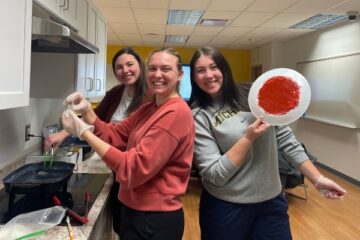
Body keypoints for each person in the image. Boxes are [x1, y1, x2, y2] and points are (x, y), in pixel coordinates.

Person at [188, 46, 346, 240]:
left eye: (214, 67)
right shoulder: (199, 115)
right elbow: (214, 175)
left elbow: (285, 140)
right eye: (200, 70)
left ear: (224, 70)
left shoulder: (254, 95)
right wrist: (248, 139)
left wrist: (317, 179)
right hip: (226, 209)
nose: (209, 75)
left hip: (270, 204)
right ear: (194, 78)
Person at [61, 47, 195, 240]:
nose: (157, 75)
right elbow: (115, 135)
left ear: (180, 74)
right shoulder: (150, 108)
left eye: (166, 69)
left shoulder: (176, 113)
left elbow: (134, 168)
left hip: (154, 218)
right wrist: (88, 111)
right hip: (134, 209)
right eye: (152, 68)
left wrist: (84, 133)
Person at [44, 47, 149, 236]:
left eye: (130, 64)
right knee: (120, 223)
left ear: (139, 66)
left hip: (134, 170)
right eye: (119, 67)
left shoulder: (150, 97)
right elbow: (92, 117)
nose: (125, 70)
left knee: (133, 225)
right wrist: (61, 134)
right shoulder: (116, 93)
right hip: (114, 165)